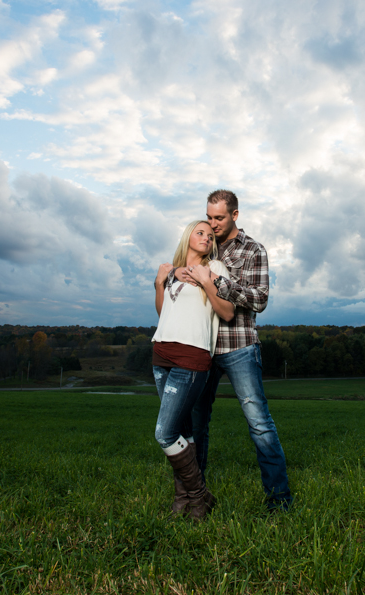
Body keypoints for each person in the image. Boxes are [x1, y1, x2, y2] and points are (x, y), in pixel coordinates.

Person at [172, 189, 293, 511]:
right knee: (196, 423)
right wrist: (176, 273)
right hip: (203, 348)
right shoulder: (203, 245)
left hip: (239, 346)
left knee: (259, 423)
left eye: (219, 218)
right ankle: (195, 497)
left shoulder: (254, 250)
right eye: (208, 217)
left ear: (235, 215)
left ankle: (279, 500)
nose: (212, 224)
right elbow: (178, 274)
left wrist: (214, 280)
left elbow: (259, 299)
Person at [152, 220, 233, 520]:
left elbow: (227, 312)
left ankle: (200, 494)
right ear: (187, 236)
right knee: (184, 431)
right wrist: (159, 283)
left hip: (193, 356)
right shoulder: (172, 270)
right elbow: (164, 313)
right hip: (161, 354)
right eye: (200, 232)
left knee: (165, 433)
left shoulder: (217, 269)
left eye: (210, 236)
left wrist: (207, 281)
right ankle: (185, 500)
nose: (205, 237)